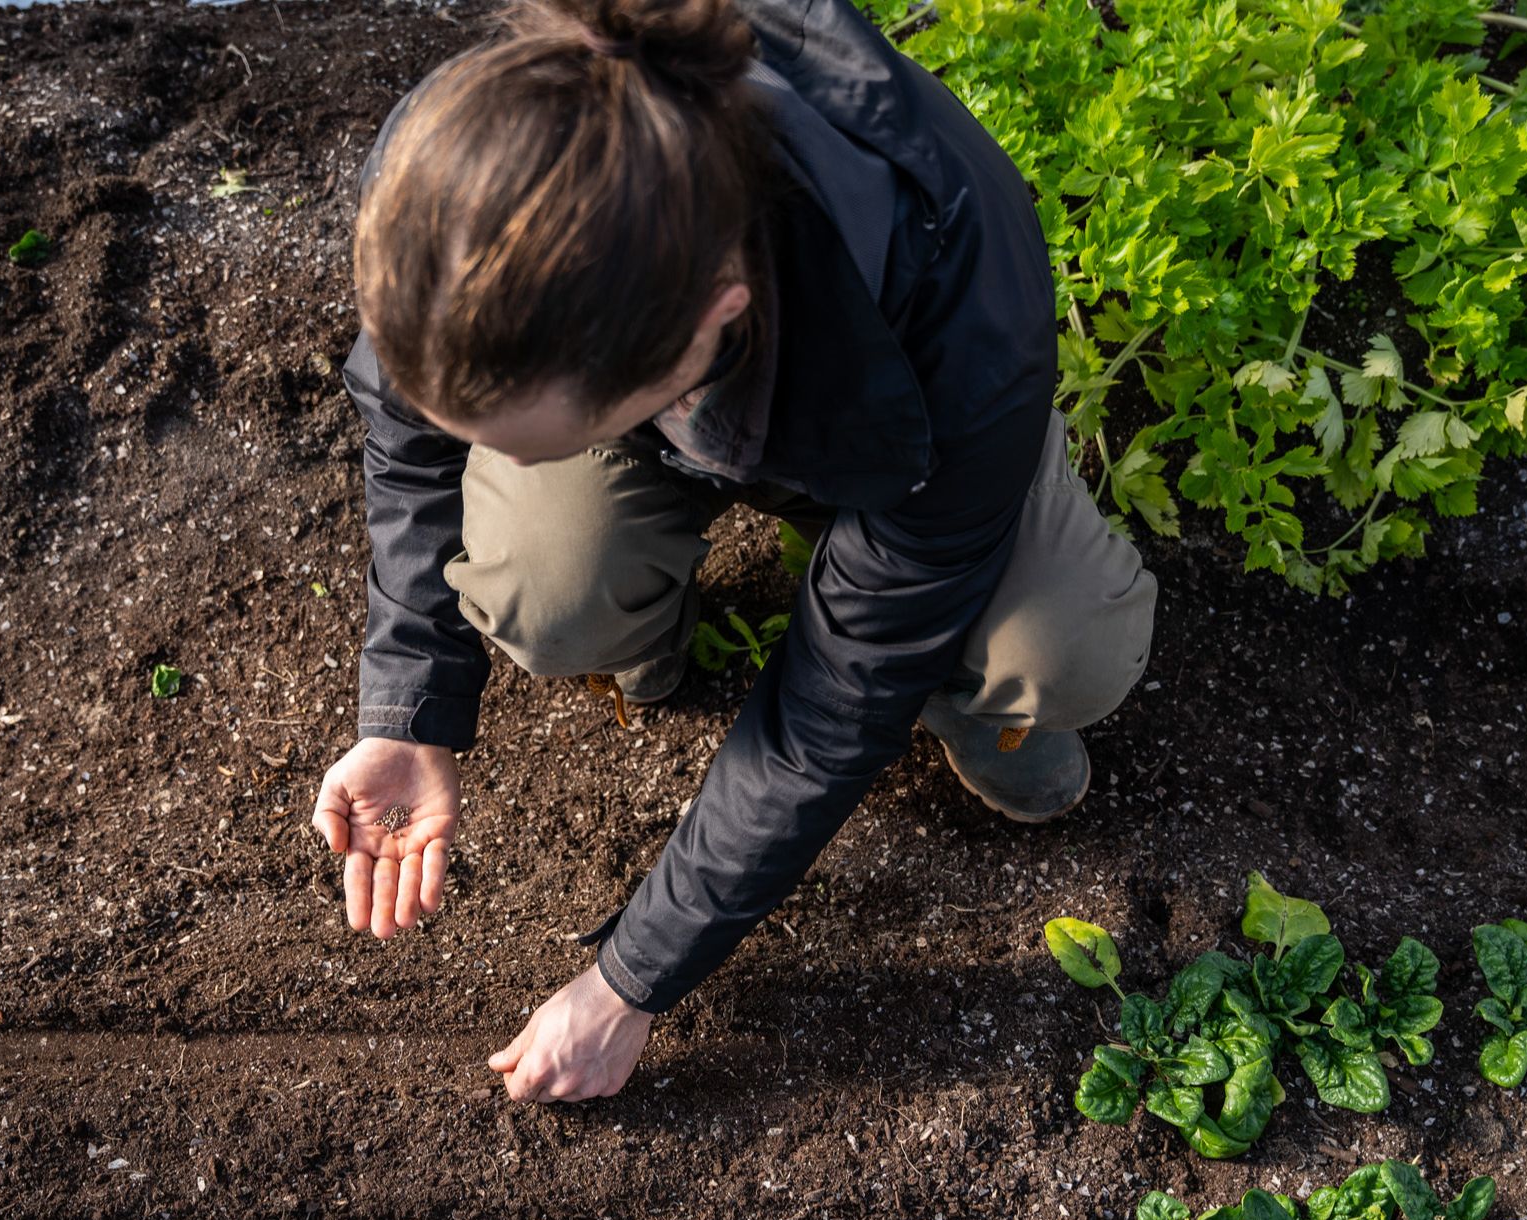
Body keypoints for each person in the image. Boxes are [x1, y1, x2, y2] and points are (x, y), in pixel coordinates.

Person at [313, 0, 1157, 1103]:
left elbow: (832, 708)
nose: (488, 461)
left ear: (708, 325)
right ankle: (635, 611)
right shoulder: (466, 175)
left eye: (521, 441)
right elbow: (406, 428)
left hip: (895, 427)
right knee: (545, 588)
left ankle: (963, 696)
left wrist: (630, 981)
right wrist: (409, 707)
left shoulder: (958, 307)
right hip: (676, 398)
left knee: (1065, 651)